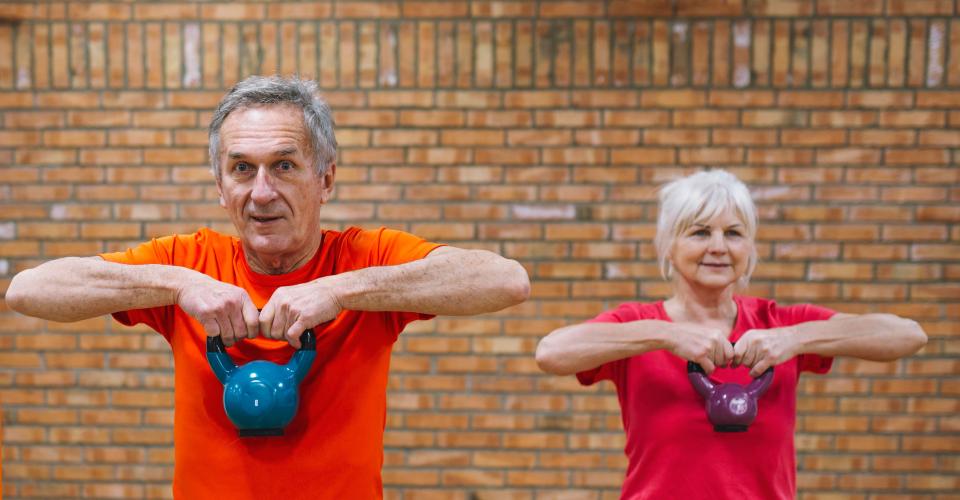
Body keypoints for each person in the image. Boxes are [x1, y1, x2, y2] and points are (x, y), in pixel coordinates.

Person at [6, 75, 530, 499]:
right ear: (220, 186)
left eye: (283, 166)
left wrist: (340, 291)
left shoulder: (365, 259)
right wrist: (178, 283)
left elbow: (504, 280)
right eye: (242, 168)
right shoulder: (189, 262)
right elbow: (29, 290)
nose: (261, 192)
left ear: (325, 180)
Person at [534, 170, 927, 499]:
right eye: (700, 232)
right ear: (669, 246)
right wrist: (665, 335)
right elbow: (551, 352)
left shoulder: (779, 322)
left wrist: (795, 339)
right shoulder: (639, 323)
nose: (719, 247)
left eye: (734, 233)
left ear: (750, 247)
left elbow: (908, 335)